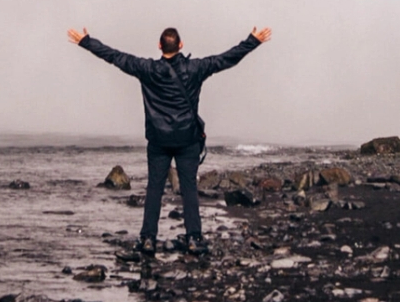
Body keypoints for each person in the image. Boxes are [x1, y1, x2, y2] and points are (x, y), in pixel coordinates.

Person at [66, 25, 273, 255]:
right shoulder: (196, 68)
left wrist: (86, 41)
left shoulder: (147, 69)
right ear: (181, 45)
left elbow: (114, 56)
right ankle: (193, 238)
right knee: (189, 189)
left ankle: (148, 239)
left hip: (158, 140)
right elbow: (227, 58)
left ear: (159, 46)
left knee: (154, 189)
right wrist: (252, 41)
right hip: (187, 139)